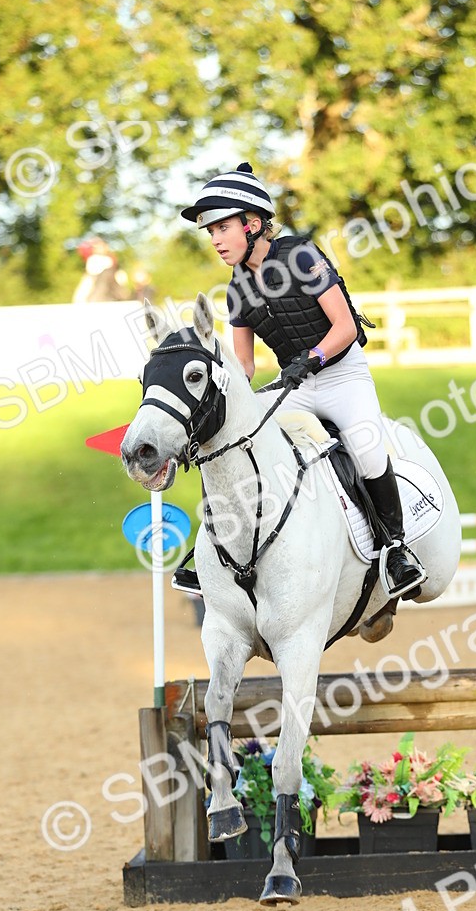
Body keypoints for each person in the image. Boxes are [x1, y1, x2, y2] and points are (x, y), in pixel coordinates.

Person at [180, 163, 425, 598]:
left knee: (367, 450)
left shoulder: (301, 256)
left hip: (342, 377)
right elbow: (245, 364)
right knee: (234, 441)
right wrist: (222, 391)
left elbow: (345, 328)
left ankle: (396, 549)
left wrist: (309, 359)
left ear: (252, 225)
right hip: (294, 386)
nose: (215, 240)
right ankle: (213, 550)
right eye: (210, 231)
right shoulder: (237, 289)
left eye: (222, 227)